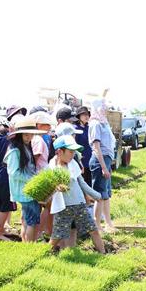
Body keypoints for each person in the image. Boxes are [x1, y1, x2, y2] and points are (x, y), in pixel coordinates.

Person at [49, 135, 105, 253]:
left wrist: (97, 196)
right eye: (70, 151)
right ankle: (42, 255)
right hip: (64, 207)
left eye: (74, 151)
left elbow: (82, 183)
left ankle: (104, 255)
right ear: (59, 151)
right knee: (57, 236)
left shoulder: (73, 164)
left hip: (79, 205)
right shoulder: (52, 167)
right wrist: (57, 188)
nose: (73, 154)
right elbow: (50, 187)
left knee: (93, 230)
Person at [4, 116, 47, 242]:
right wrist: (31, 179)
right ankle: (30, 246)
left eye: (31, 135)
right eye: (26, 135)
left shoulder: (25, 147)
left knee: (27, 220)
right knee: (32, 221)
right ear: (19, 135)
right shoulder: (14, 151)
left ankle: (26, 244)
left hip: (28, 190)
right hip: (25, 191)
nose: (29, 138)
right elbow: (13, 172)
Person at [88, 99, 116, 232]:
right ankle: (97, 225)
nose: (105, 110)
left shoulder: (104, 123)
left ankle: (108, 224)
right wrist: (104, 167)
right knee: (99, 194)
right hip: (100, 161)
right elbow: (96, 147)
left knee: (106, 194)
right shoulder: (95, 124)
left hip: (106, 160)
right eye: (103, 108)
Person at [74, 105, 92, 186]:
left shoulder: (89, 127)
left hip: (90, 157)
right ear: (79, 116)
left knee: (89, 182)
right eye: (84, 114)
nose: (86, 116)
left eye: (87, 114)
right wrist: (79, 160)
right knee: (82, 183)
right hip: (81, 158)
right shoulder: (75, 128)